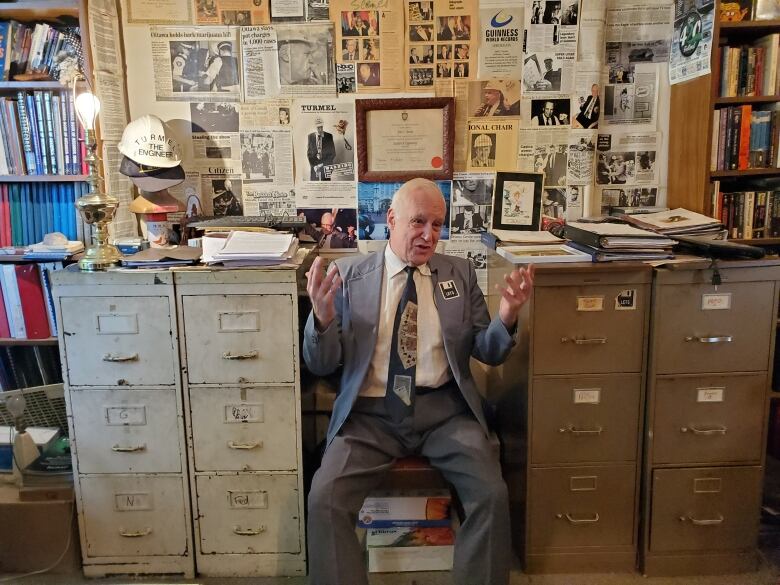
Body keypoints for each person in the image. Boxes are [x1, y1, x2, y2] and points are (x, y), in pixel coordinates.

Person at [303, 178, 534, 585]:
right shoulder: (350, 276)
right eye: (418, 222)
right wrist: (321, 320)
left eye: (437, 224)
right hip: (369, 416)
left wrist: (508, 317)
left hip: (443, 411)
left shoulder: (458, 274)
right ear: (391, 219)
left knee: (491, 496)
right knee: (325, 498)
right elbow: (322, 365)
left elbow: (487, 350)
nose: (429, 235)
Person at [307, 116, 336, 181]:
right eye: (318, 127)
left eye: (321, 127)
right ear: (314, 127)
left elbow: (333, 153)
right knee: (314, 188)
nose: (320, 129)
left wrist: (322, 165)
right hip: (314, 168)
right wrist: (314, 166)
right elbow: (309, 154)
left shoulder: (329, 136)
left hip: (325, 167)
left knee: (326, 188)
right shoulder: (310, 136)